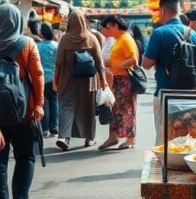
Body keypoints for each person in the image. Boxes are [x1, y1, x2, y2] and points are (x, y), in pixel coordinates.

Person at [0, 3, 45, 199]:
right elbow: (37, 75)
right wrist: (39, 104)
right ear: (19, 21)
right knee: (25, 157)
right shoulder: (27, 44)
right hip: (24, 112)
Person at [143, 0, 196, 144]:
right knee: (186, 136)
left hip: (165, 92)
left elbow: (146, 64)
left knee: (164, 137)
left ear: (163, 10)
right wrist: (194, 86)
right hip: (188, 95)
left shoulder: (159, 33)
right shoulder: (194, 34)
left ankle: (165, 165)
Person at [54, 9, 105, 151]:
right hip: (89, 80)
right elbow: (99, 61)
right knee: (88, 108)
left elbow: (58, 62)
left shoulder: (65, 39)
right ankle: (90, 139)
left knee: (66, 107)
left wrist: (55, 80)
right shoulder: (91, 38)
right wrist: (103, 80)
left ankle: (64, 137)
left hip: (67, 78)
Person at [99, 15, 138, 150]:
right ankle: (113, 137)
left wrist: (116, 66)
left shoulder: (126, 39)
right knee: (115, 109)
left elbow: (133, 59)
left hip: (124, 79)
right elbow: (117, 58)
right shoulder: (118, 39)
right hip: (117, 78)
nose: (107, 31)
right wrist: (107, 63)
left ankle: (130, 139)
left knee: (127, 109)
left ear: (116, 26)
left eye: (108, 28)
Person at [35, 22, 59, 137]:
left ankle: (45, 129)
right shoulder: (56, 45)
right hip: (54, 78)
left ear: (41, 33)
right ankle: (54, 128)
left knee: (44, 103)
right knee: (54, 102)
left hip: (41, 78)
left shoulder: (37, 46)